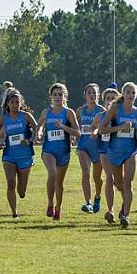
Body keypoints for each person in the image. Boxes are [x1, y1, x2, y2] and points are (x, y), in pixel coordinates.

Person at [98, 82, 137, 229]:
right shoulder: (115, 109)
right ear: (123, 93)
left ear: (136, 94)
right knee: (119, 183)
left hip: (131, 150)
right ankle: (122, 206)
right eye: (128, 92)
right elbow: (101, 129)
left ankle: (126, 215)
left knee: (128, 182)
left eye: (133, 92)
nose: (131, 95)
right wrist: (120, 127)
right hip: (114, 152)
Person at [35, 82, 81, 221]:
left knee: (59, 182)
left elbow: (78, 132)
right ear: (51, 97)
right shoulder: (46, 112)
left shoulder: (68, 112)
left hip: (64, 152)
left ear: (65, 96)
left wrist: (63, 126)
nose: (57, 97)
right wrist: (39, 133)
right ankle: (50, 203)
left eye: (60, 95)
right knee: (52, 173)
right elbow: (39, 125)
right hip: (48, 150)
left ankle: (58, 208)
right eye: (55, 95)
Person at [0, 89, 38, 217]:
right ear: (8, 104)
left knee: (21, 191)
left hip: (25, 156)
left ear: (21, 103)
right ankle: (14, 212)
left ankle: (21, 193)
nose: (15, 104)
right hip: (9, 156)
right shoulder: (3, 119)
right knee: (11, 182)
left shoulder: (26, 116)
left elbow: (38, 130)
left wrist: (30, 140)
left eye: (17, 102)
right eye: (12, 102)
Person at [75, 83, 106, 214]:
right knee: (85, 172)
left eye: (94, 93)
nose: (92, 95)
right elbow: (73, 123)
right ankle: (88, 203)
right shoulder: (80, 110)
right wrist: (72, 135)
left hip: (98, 148)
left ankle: (97, 197)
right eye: (89, 93)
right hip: (83, 146)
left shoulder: (102, 110)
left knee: (97, 178)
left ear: (98, 95)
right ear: (85, 95)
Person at [93, 88, 120, 222]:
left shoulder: (121, 115)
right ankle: (110, 210)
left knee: (121, 182)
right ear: (103, 101)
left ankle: (124, 207)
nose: (110, 101)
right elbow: (94, 127)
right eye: (108, 98)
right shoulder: (100, 116)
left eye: (113, 98)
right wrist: (94, 132)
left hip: (120, 151)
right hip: (104, 150)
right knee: (110, 177)